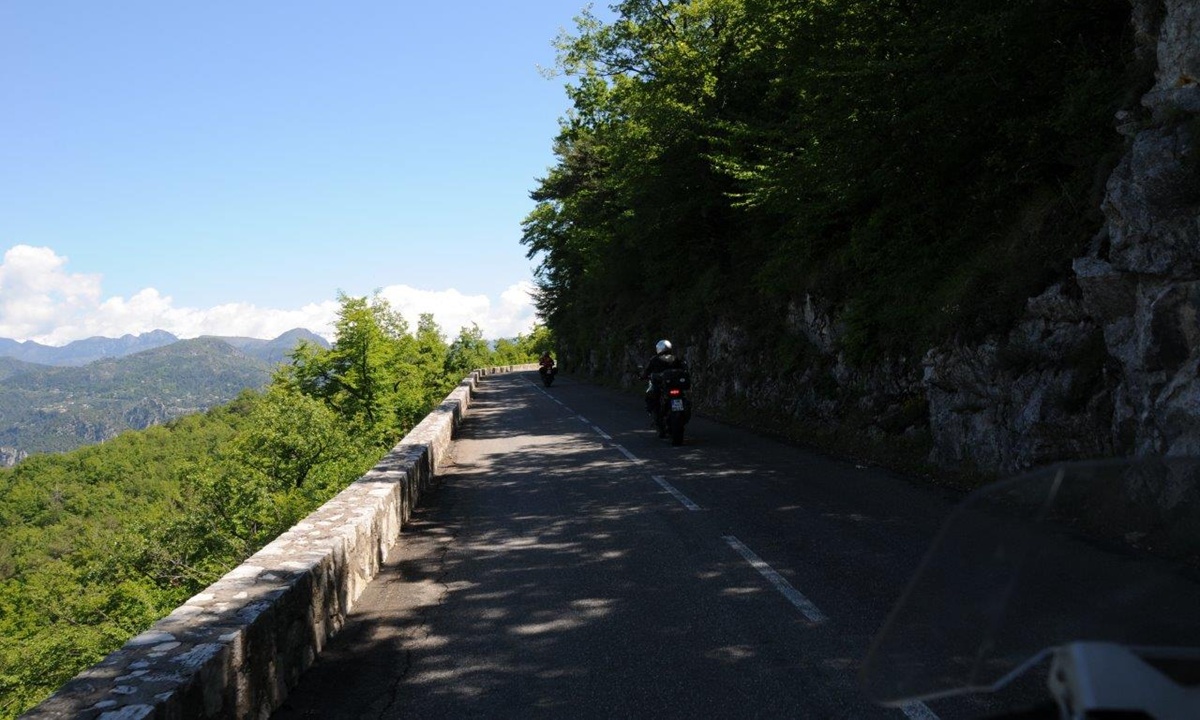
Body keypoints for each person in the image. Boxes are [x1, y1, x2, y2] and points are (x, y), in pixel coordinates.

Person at [640, 339, 684, 413]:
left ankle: (655, 412)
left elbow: (648, 370)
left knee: (651, 395)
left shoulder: (655, 359)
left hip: (662, 385)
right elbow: (682, 369)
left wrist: (642, 376)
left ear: (659, 348)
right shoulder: (675, 359)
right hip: (674, 384)